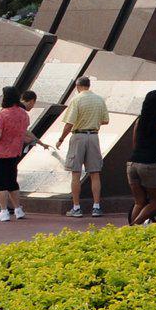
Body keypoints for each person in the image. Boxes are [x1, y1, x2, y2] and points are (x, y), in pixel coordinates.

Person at [55, 75, 110, 217]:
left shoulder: (76, 99)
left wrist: (61, 138)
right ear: (89, 85)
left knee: (75, 173)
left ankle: (76, 207)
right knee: (95, 173)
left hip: (78, 136)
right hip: (93, 136)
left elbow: (70, 122)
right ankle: (96, 207)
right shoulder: (99, 100)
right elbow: (105, 120)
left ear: (78, 86)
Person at [126, 88, 156, 224]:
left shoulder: (140, 121)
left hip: (132, 163)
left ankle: (130, 233)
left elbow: (135, 144)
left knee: (139, 202)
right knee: (155, 201)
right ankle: (134, 226)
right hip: (150, 164)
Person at [0, 88, 33, 221]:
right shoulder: (23, 113)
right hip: (15, 151)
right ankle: (18, 209)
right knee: (11, 182)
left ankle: (3, 211)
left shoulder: (2, 114)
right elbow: (24, 132)